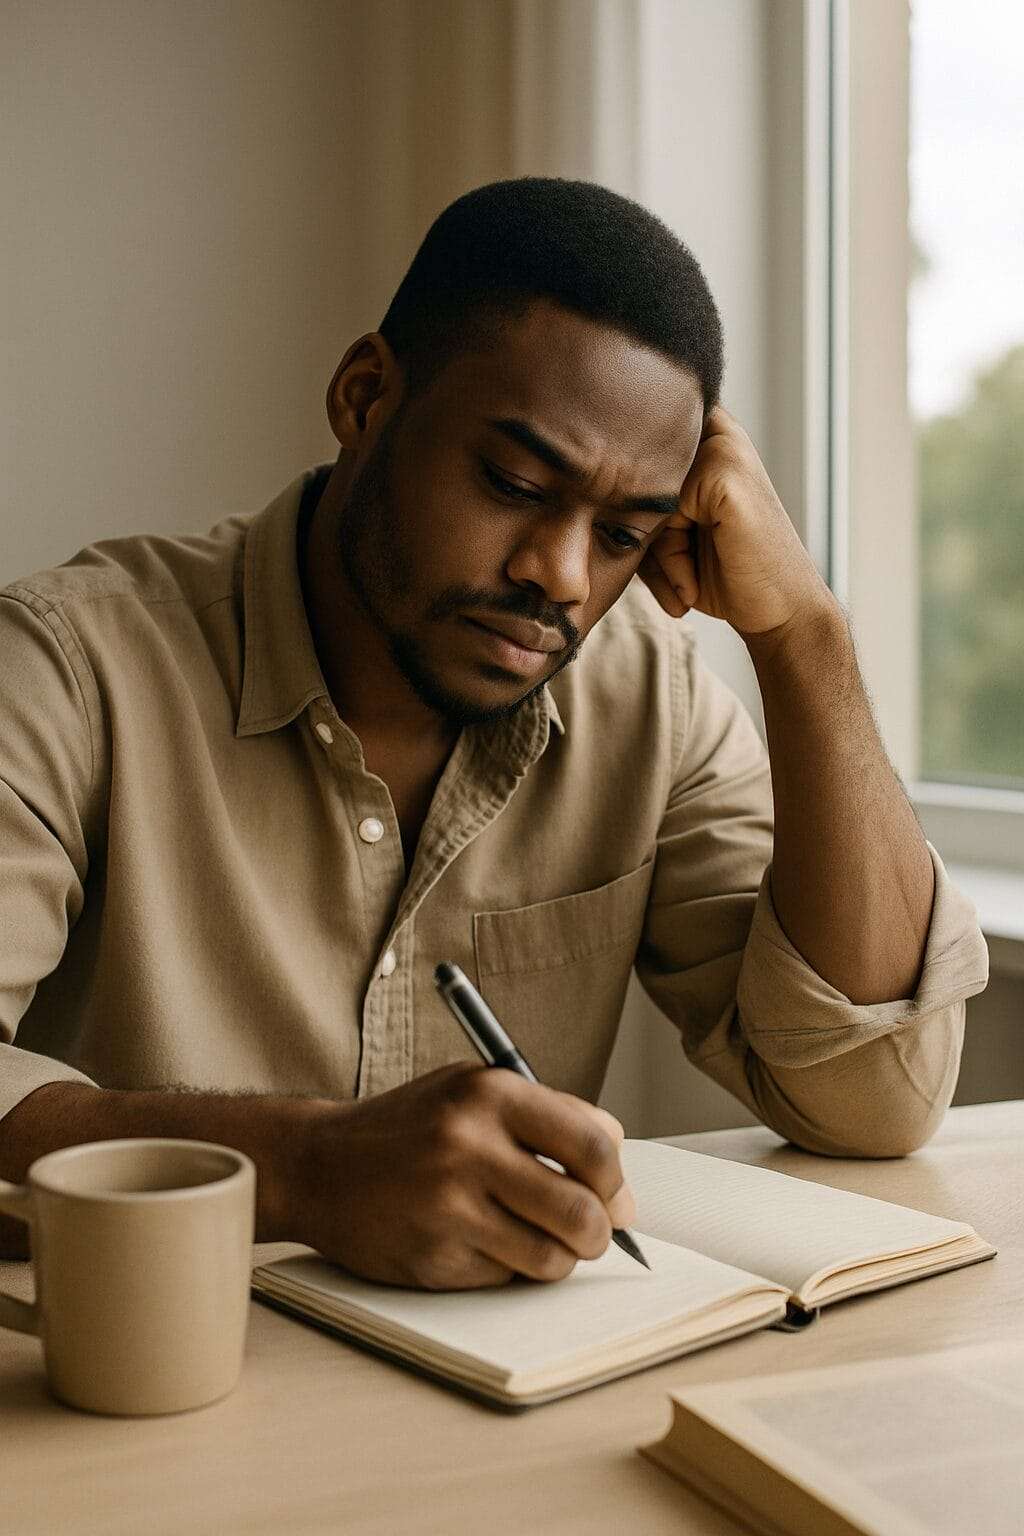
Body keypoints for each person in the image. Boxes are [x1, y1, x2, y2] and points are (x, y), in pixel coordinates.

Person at [0, 179, 987, 1288]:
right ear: (366, 396)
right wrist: (302, 1170)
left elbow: (873, 1100)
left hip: (510, 1403)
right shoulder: (67, 671)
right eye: (514, 483)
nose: (560, 576)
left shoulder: (648, 704)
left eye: (623, 532)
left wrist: (804, 636)